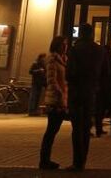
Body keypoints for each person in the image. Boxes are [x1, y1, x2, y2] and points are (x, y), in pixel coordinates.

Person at [67, 23, 105, 171]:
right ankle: (83, 160)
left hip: (77, 92)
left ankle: (77, 161)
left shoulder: (76, 49)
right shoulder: (99, 50)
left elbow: (70, 72)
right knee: (86, 126)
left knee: (77, 127)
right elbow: (105, 72)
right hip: (91, 92)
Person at [39, 36, 68, 171]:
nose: (65, 46)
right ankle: (44, 160)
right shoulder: (52, 59)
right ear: (57, 45)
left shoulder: (63, 59)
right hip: (55, 100)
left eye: (65, 44)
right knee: (51, 131)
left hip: (61, 100)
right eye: (63, 44)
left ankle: (46, 159)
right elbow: (51, 80)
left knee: (53, 131)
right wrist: (60, 93)